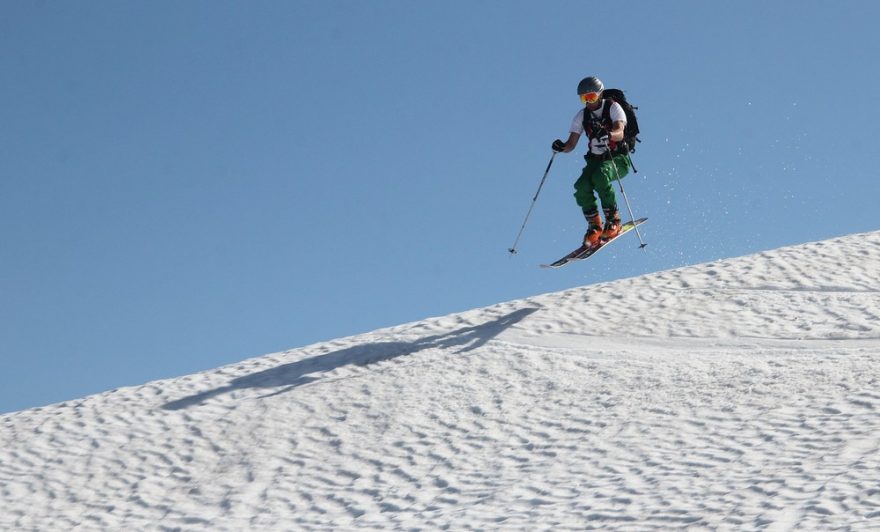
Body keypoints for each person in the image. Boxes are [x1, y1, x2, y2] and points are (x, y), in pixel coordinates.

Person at [552, 76, 631, 248]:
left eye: (591, 97)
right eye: (584, 98)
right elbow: (571, 144)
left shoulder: (613, 107)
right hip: (594, 161)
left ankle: (613, 220)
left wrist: (609, 134)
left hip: (617, 159)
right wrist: (561, 147)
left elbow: (620, 132)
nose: (588, 102)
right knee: (581, 186)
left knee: (600, 177)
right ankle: (595, 226)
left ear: (600, 94)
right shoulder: (582, 116)